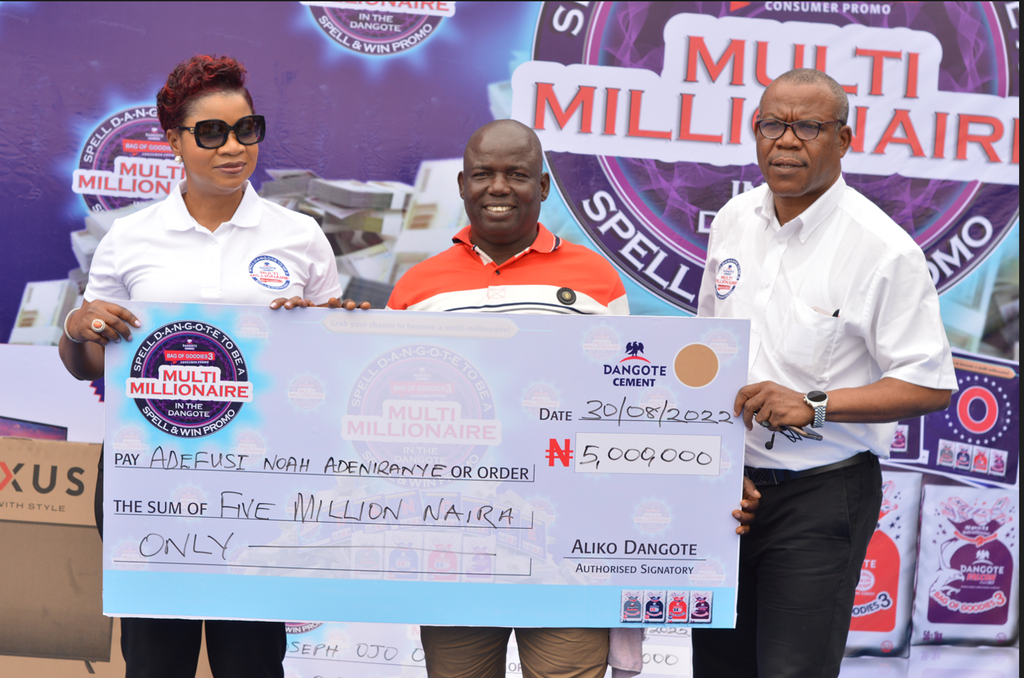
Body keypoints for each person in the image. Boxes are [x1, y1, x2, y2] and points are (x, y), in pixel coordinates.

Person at [387, 119, 759, 678]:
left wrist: (711, 484)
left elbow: (628, 414)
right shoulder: (416, 286)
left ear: (542, 188)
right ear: (461, 185)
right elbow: (383, 423)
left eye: (517, 174)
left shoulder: (596, 280)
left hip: (568, 552)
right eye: (484, 174)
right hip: (455, 547)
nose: (498, 187)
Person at [58, 55, 353, 678]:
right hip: (150, 480)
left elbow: (332, 372)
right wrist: (79, 326)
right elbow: (86, 363)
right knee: (155, 663)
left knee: (251, 663)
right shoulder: (131, 238)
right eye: (211, 133)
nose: (233, 148)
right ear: (174, 141)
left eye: (246, 130)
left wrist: (327, 328)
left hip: (263, 479)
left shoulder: (299, 235)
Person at [692, 69, 957, 678]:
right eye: (771, 124)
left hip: (821, 492)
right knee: (718, 668)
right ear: (754, 131)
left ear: (842, 140)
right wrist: (713, 467)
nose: (786, 141)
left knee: (793, 671)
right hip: (732, 492)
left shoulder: (883, 250)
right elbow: (709, 350)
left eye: (808, 126)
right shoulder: (732, 220)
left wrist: (813, 403)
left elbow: (930, 383)